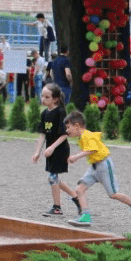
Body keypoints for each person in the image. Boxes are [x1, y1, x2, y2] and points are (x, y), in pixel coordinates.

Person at [62, 111, 131, 227]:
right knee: (79, 189)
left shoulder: (87, 135)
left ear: (77, 126)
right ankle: (86, 216)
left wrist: (76, 156)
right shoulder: (82, 137)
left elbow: (92, 150)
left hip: (104, 166)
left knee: (113, 194)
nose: (67, 130)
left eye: (68, 127)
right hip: (94, 167)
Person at [31, 83, 81, 217]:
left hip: (60, 150)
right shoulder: (44, 114)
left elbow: (65, 134)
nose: (43, 99)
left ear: (55, 99)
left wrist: (52, 147)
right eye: (42, 96)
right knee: (53, 178)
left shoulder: (60, 112)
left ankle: (57, 208)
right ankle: (76, 197)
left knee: (52, 178)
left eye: (47, 97)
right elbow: (43, 135)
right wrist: (37, 152)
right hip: (50, 151)